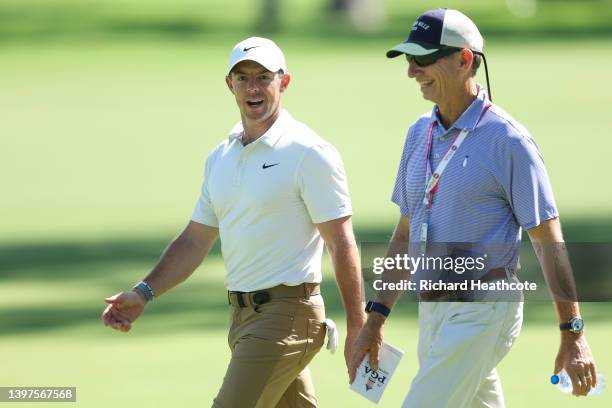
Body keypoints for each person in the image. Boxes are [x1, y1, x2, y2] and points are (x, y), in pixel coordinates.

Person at [348, 8, 598, 407]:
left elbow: (549, 241)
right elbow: (406, 235)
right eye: (410, 60)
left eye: (424, 59)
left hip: (484, 309)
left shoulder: (508, 141)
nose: (412, 71)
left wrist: (574, 332)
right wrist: (375, 318)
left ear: (465, 60)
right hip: (434, 313)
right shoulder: (418, 134)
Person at [101, 36, 366, 408]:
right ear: (230, 85)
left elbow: (341, 242)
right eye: (242, 78)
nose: (253, 87)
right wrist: (144, 293)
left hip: (287, 317)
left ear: (284, 82)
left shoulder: (309, 153)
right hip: (243, 320)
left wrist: (359, 324)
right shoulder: (220, 157)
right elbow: (195, 240)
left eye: (263, 77)